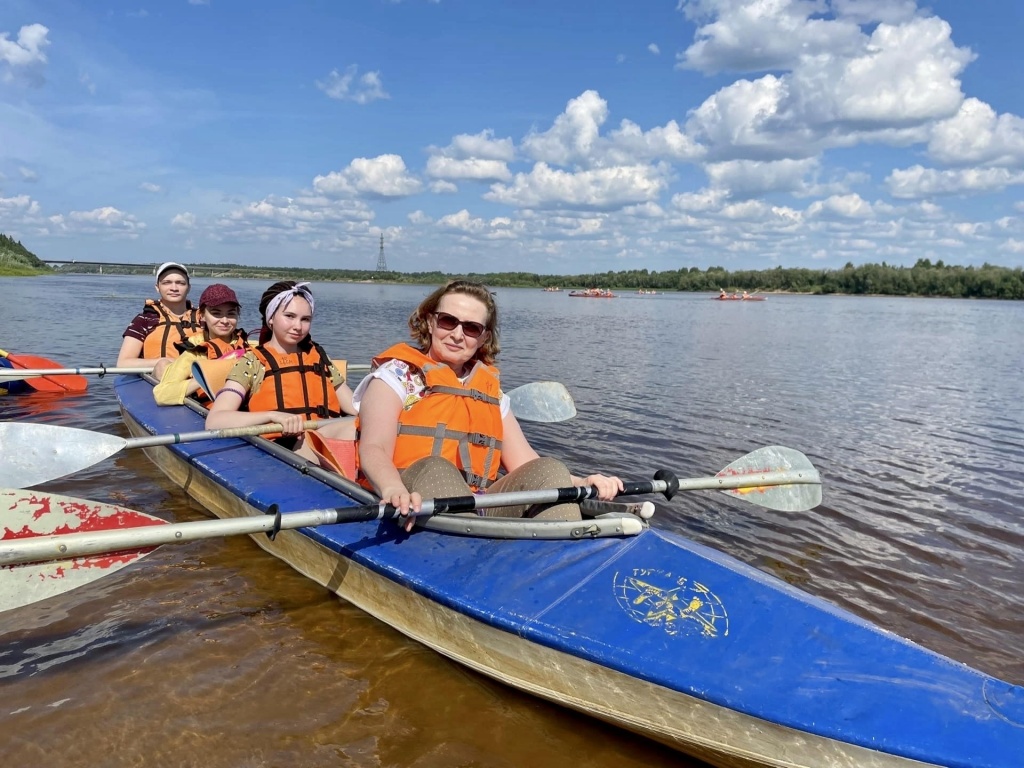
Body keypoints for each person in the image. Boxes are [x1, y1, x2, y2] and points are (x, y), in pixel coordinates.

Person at [354, 279, 623, 530]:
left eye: (471, 328)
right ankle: (467, 558)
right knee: (437, 469)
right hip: (410, 496)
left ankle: (559, 560)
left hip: (478, 503)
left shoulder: (490, 392)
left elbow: (524, 462)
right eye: (448, 321)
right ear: (430, 322)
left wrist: (581, 482)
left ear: (483, 338)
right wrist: (391, 489)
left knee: (550, 469)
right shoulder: (396, 377)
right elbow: (374, 447)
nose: (458, 335)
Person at [205, 280, 356, 466]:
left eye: (305, 319)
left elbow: (355, 408)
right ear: (271, 318)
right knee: (349, 429)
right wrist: (273, 416)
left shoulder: (320, 358)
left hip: (324, 437)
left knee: (360, 427)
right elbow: (215, 420)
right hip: (282, 449)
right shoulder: (252, 362)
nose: (298, 326)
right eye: (289, 316)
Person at [152, 283, 249, 406]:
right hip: (210, 412)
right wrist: (207, 375)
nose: (225, 321)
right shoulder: (194, 352)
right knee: (163, 366)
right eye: (216, 313)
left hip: (242, 410)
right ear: (201, 316)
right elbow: (162, 394)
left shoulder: (250, 347)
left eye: (231, 313)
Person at [117, 262, 202, 368]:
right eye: (167, 283)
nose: (174, 288)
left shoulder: (203, 319)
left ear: (188, 287)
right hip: (156, 379)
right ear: (157, 287)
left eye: (180, 283)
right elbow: (123, 363)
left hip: (198, 377)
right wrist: (166, 362)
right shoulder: (144, 320)